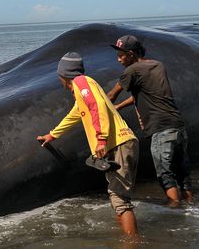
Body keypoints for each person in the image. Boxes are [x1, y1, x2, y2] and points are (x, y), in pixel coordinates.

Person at [37, 52, 140, 236]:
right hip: (121, 144)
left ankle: (131, 247)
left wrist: (101, 138)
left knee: (120, 198)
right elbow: (74, 115)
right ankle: (128, 238)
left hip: (119, 143)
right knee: (117, 197)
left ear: (64, 75)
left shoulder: (81, 82)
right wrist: (52, 135)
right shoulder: (81, 91)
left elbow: (96, 106)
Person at [107, 35, 194, 206]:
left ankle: (175, 210)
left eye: (120, 55)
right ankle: (191, 206)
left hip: (160, 129)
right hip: (177, 126)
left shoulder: (131, 71)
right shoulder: (157, 65)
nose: (118, 60)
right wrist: (120, 107)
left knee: (165, 173)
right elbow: (149, 94)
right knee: (182, 171)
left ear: (131, 54)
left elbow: (111, 95)